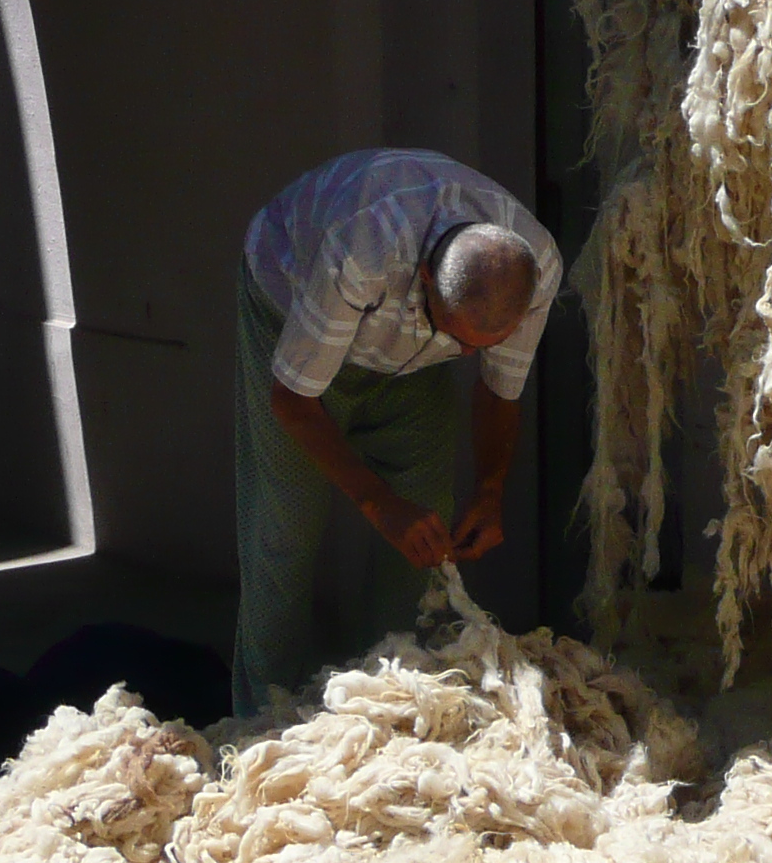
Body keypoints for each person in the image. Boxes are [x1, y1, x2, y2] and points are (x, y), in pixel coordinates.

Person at [233, 147, 559, 713]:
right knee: (285, 530)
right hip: (292, 303)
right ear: (426, 278)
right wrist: (377, 501)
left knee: (425, 529)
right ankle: (265, 716)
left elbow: (497, 387)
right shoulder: (363, 251)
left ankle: (393, 697)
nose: (463, 355)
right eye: (457, 338)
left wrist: (489, 491)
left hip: (402, 339)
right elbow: (293, 399)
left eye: (478, 348)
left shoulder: (535, 266)